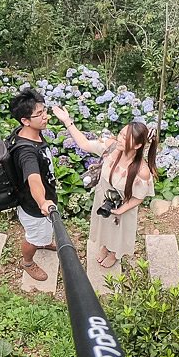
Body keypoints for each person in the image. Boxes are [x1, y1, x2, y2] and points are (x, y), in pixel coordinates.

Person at [52, 105, 157, 269]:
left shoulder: (141, 172)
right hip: (103, 198)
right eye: (121, 134)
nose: (120, 139)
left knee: (118, 231)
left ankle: (114, 253)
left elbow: (138, 197)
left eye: (125, 138)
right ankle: (105, 246)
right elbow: (85, 144)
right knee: (104, 225)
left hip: (123, 206)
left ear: (137, 146)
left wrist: (121, 210)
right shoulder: (112, 147)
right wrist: (68, 121)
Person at [8, 89, 58, 281]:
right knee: (33, 237)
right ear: (25, 121)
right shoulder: (26, 152)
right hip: (35, 207)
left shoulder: (31, 133)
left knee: (43, 233)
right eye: (39, 114)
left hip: (42, 201)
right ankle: (28, 262)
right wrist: (42, 202)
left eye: (44, 110)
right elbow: (34, 179)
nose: (45, 116)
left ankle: (44, 242)